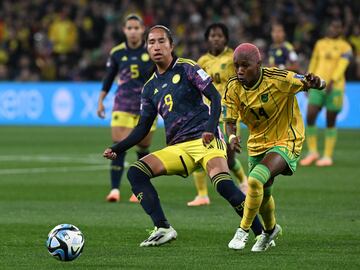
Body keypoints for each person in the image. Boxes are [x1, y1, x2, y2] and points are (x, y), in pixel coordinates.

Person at [103, 25, 266, 247]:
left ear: (171, 45)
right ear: (147, 48)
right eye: (151, 42)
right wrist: (117, 148)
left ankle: (261, 234)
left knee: (223, 186)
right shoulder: (149, 88)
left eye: (161, 41)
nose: (156, 46)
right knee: (136, 173)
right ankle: (163, 228)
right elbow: (143, 127)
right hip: (178, 148)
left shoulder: (187, 67)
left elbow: (214, 99)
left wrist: (210, 128)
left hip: (205, 140)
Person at [223, 43, 326, 251]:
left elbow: (311, 82)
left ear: (259, 64)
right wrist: (232, 136)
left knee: (255, 179)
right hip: (257, 143)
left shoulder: (279, 78)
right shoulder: (233, 86)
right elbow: (230, 119)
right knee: (262, 195)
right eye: (237, 66)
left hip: (286, 139)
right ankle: (270, 231)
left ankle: (243, 230)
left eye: (245, 65)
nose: (240, 70)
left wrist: (317, 81)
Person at [187, 23, 248, 207]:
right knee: (199, 151)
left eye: (219, 35)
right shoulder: (202, 61)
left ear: (226, 38)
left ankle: (244, 183)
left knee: (228, 158)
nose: (216, 38)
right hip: (207, 114)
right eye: (212, 35)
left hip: (229, 113)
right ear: (207, 38)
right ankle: (202, 195)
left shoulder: (233, 58)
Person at [97, 14, 156, 202]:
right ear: (124, 30)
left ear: (142, 30)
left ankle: (137, 190)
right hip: (122, 103)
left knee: (143, 147)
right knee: (118, 145)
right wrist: (101, 100)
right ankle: (114, 189)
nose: (132, 31)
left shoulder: (152, 50)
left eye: (136, 28)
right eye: (129, 28)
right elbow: (108, 77)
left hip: (146, 105)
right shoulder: (117, 52)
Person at [300, 19, 352, 167]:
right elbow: (314, 62)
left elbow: (343, 65)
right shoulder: (320, 44)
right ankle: (313, 152)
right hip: (317, 86)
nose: (334, 29)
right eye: (333, 26)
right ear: (329, 27)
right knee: (310, 116)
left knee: (330, 120)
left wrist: (333, 80)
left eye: (338, 27)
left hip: (335, 88)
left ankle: (327, 156)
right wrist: (308, 81)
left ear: (341, 29)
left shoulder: (345, 47)